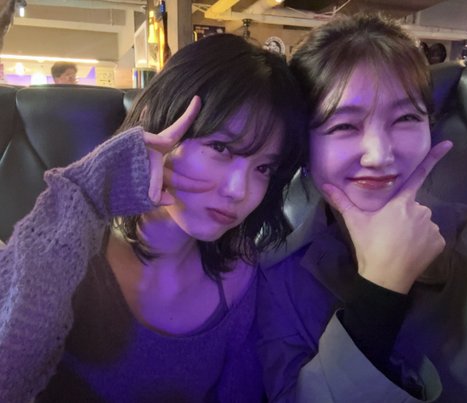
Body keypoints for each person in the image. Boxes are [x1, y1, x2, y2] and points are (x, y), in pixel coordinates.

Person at [0, 33, 306, 402]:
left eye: (264, 168)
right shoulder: (70, 246)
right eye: (220, 147)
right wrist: (85, 192)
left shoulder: (241, 270)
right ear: (155, 119)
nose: (239, 190)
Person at [257, 13, 467, 402]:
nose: (379, 155)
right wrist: (379, 295)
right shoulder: (275, 282)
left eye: (406, 118)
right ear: (302, 145)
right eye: (344, 126)